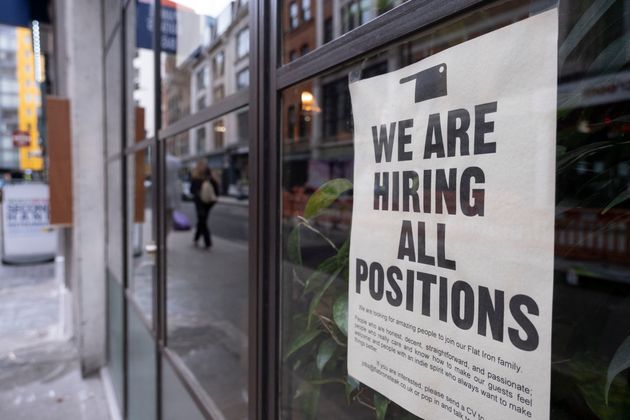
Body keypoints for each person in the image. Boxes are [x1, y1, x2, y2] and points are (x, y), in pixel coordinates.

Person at [190, 160, 219, 248]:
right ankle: (196, 239)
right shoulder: (210, 177)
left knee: (202, 221)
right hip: (208, 202)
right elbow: (217, 191)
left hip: (201, 203)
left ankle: (207, 242)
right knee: (202, 220)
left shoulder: (197, 177)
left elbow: (192, 190)